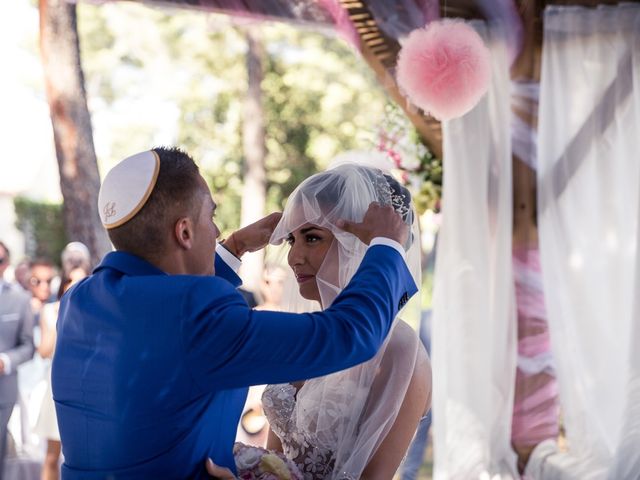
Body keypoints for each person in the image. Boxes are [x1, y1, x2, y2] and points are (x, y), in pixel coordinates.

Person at [52, 147, 417, 479]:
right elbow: (348, 335)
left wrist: (234, 248)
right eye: (211, 217)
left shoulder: (79, 301)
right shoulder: (196, 317)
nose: (218, 230)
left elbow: (161, 307)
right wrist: (385, 246)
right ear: (183, 232)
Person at [251, 164, 432, 479]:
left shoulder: (399, 349)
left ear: (359, 243)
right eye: (292, 240)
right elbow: (272, 463)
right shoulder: (306, 332)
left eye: (312, 238)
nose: (294, 257)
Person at [35, 260, 90, 480]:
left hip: (86, 386)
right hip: (56, 385)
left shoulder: (96, 314)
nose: (75, 285)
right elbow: (44, 350)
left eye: (81, 280)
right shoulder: (51, 311)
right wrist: (62, 318)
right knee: (52, 455)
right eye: (70, 281)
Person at [0, 241, 35, 476]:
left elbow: (28, 346)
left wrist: (5, 361)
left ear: (6, 264)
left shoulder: (20, 299)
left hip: (2, 391)